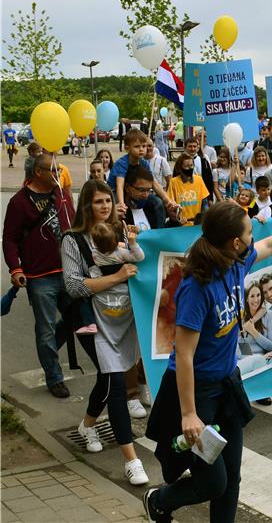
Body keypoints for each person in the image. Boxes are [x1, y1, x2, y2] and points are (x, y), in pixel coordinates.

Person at [142, 202, 272, 523]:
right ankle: (160, 500)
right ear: (235, 242)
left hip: (228, 386)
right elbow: (184, 355)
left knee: (231, 479)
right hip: (197, 394)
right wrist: (190, 413)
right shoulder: (197, 286)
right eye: (249, 231)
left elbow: (271, 244)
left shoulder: (235, 263)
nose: (254, 235)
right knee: (213, 482)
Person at [61, 180, 150, 485]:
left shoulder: (120, 233)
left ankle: (87, 425)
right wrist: (117, 277)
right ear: (86, 205)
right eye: (98, 202)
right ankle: (131, 459)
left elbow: (142, 258)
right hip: (92, 321)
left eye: (108, 201)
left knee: (106, 376)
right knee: (114, 382)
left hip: (122, 319)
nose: (104, 207)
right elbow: (73, 286)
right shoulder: (72, 241)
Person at [3, 153, 76, 397]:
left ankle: (48, 349)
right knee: (44, 328)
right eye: (53, 171)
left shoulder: (62, 196)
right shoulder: (19, 202)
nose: (59, 175)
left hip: (68, 271)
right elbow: (10, 239)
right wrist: (16, 268)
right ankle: (54, 376)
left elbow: (74, 227)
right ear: (38, 172)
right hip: (40, 276)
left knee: (78, 316)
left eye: (60, 170)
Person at [107, 129, 178, 228]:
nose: (141, 149)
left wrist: (168, 200)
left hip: (134, 191)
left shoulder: (144, 163)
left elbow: (153, 183)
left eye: (144, 146)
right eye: (137, 146)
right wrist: (121, 203)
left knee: (158, 203)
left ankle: (159, 231)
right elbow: (119, 185)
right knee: (116, 208)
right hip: (116, 191)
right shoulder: (122, 163)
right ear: (127, 148)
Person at [167, 153, 211, 226]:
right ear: (180, 168)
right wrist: (178, 218)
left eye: (191, 165)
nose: (190, 168)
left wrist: (203, 219)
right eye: (187, 166)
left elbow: (204, 203)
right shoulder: (173, 182)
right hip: (181, 224)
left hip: (197, 223)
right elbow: (170, 206)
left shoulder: (199, 179)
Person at [184, 136, 215, 206]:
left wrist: (210, 198)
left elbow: (209, 180)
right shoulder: (180, 161)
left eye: (194, 146)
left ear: (198, 147)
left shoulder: (203, 161)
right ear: (185, 147)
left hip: (202, 196)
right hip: (186, 196)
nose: (192, 149)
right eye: (190, 146)